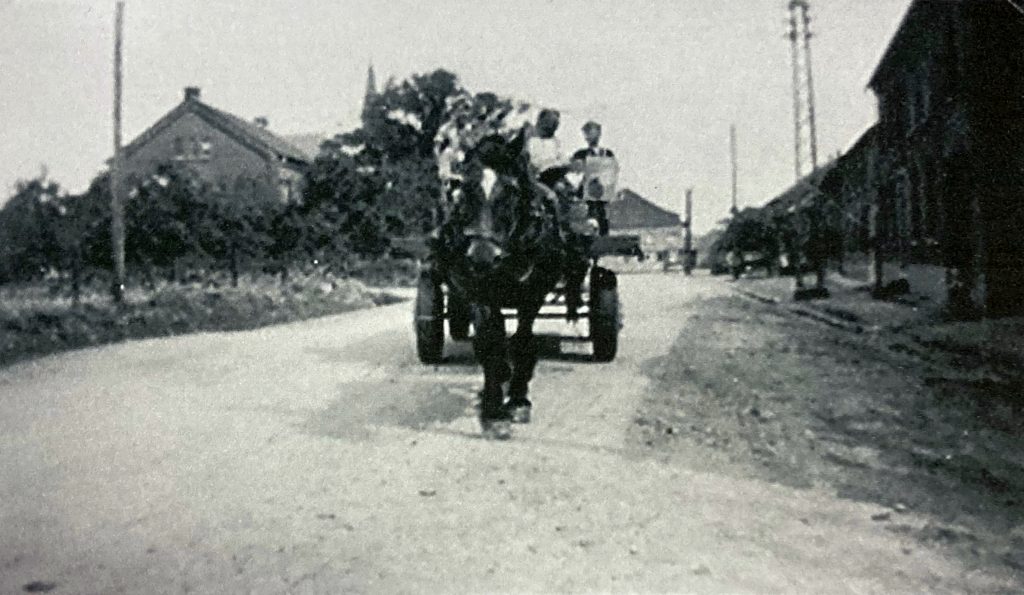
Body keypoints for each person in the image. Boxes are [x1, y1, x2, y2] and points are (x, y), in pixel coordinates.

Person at [572, 120, 615, 236]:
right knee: (589, 216)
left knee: (603, 216)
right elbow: (574, 171)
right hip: (586, 191)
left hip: (602, 191)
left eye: (593, 132)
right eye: (588, 133)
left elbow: (611, 171)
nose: (591, 136)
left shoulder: (607, 153)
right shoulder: (580, 154)